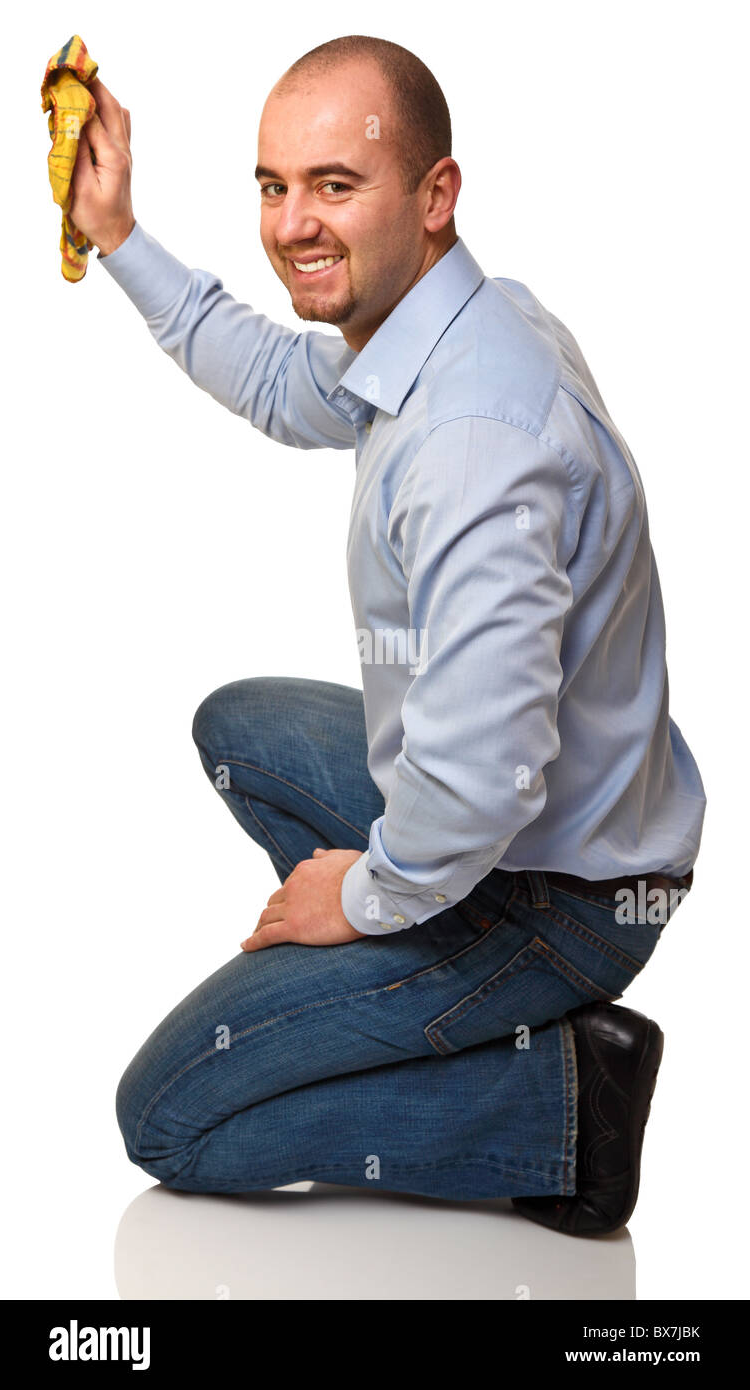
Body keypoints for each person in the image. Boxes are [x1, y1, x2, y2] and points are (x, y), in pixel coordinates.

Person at [71, 35, 706, 1236]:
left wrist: (360, 895)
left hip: (559, 888)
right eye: (274, 185)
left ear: (435, 194)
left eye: (335, 184)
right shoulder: (454, 321)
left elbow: (475, 782)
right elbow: (274, 379)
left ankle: (561, 1095)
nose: (293, 222)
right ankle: (404, 995)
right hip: (560, 813)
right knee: (240, 727)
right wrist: (118, 232)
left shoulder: (475, 443)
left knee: (169, 1119)